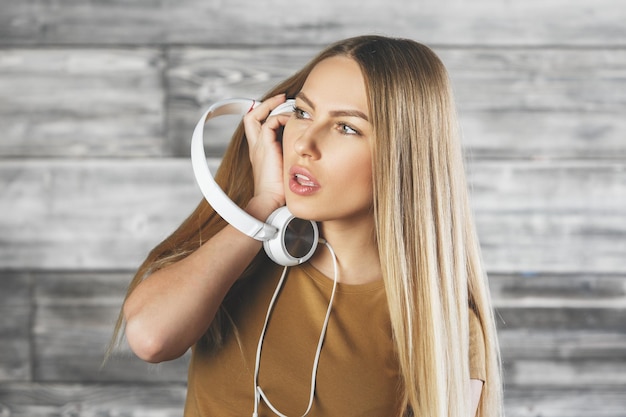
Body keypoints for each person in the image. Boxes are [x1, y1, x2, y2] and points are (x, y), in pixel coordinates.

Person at [109, 35, 503, 417]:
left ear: (404, 158)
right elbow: (149, 338)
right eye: (302, 113)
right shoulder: (239, 255)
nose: (304, 144)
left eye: (346, 127)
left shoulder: (438, 322)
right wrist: (262, 206)